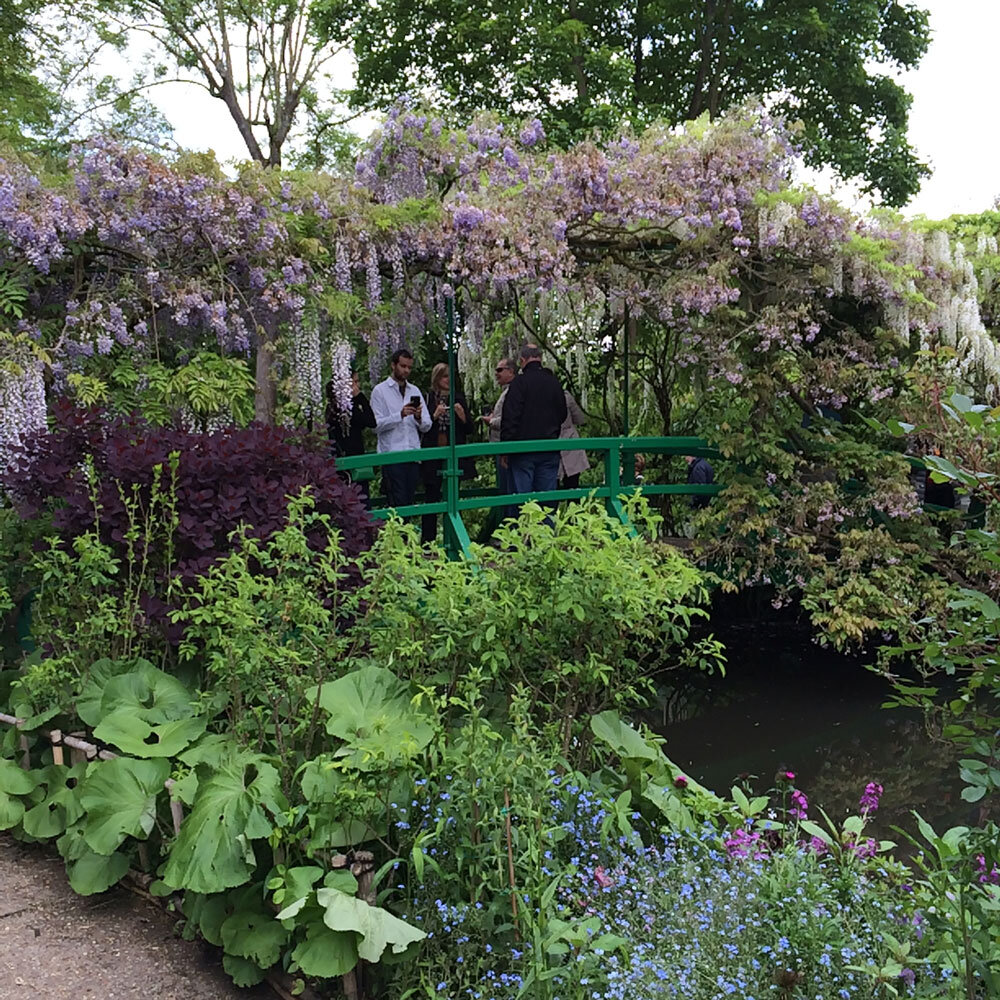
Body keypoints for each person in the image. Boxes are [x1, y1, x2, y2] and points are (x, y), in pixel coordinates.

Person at [500, 344, 567, 501]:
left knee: (523, 501)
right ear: (540, 358)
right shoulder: (553, 382)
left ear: (522, 360)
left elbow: (510, 417)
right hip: (549, 447)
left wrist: (505, 448)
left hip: (523, 449)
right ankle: (547, 525)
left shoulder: (519, 383)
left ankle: (525, 526)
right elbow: (562, 413)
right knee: (546, 501)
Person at [370, 348, 431, 508]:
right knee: (397, 501)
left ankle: (406, 533)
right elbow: (375, 426)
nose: (406, 371)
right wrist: (400, 415)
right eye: (403, 366)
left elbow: (427, 425)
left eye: (409, 367)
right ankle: (397, 533)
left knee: (409, 501)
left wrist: (417, 417)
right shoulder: (380, 391)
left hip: (412, 455)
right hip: (392, 455)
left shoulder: (414, 390)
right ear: (393, 365)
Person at [420, 362, 473, 544]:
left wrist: (462, 416)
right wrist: (434, 415)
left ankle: (452, 539)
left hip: (453, 452)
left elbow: (469, 429)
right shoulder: (427, 399)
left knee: (453, 496)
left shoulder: (458, 398)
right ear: (437, 378)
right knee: (432, 497)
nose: (448, 380)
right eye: (444, 376)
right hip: (433, 453)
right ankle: (428, 541)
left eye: (450, 376)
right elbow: (422, 428)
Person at [326, 370, 377, 501]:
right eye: (353, 382)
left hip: (344, 460)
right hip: (351, 460)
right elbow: (371, 421)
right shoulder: (345, 409)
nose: (356, 386)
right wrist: (360, 397)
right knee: (360, 502)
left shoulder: (332, 407)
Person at [558, 390, 589, 490]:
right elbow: (579, 419)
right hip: (570, 441)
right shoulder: (566, 396)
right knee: (573, 486)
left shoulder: (538, 398)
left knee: (551, 487)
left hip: (551, 441)